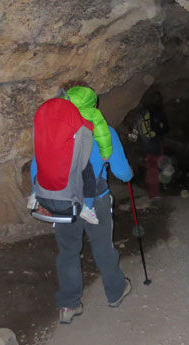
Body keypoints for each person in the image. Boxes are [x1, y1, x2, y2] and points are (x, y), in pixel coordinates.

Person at [31, 87, 134, 324]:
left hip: (62, 202)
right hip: (95, 202)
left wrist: (41, 198)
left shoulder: (53, 132)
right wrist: (129, 175)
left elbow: (38, 167)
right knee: (102, 248)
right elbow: (122, 173)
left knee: (68, 252)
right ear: (92, 106)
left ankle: (68, 305)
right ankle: (116, 292)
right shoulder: (103, 132)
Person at [66, 86, 113, 225]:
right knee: (89, 178)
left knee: (38, 161)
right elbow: (102, 133)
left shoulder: (62, 112)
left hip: (62, 153)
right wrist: (105, 153)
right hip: (80, 154)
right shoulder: (93, 113)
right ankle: (88, 206)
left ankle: (35, 195)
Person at [132, 90, 168, 201]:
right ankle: (155, 193)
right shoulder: (158, 112)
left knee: (150, 169)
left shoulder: (140, 113)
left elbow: (135, 131)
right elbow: (166, 128)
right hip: (156, 144)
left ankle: (151, 192)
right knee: (156, 168)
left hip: (144, 145)